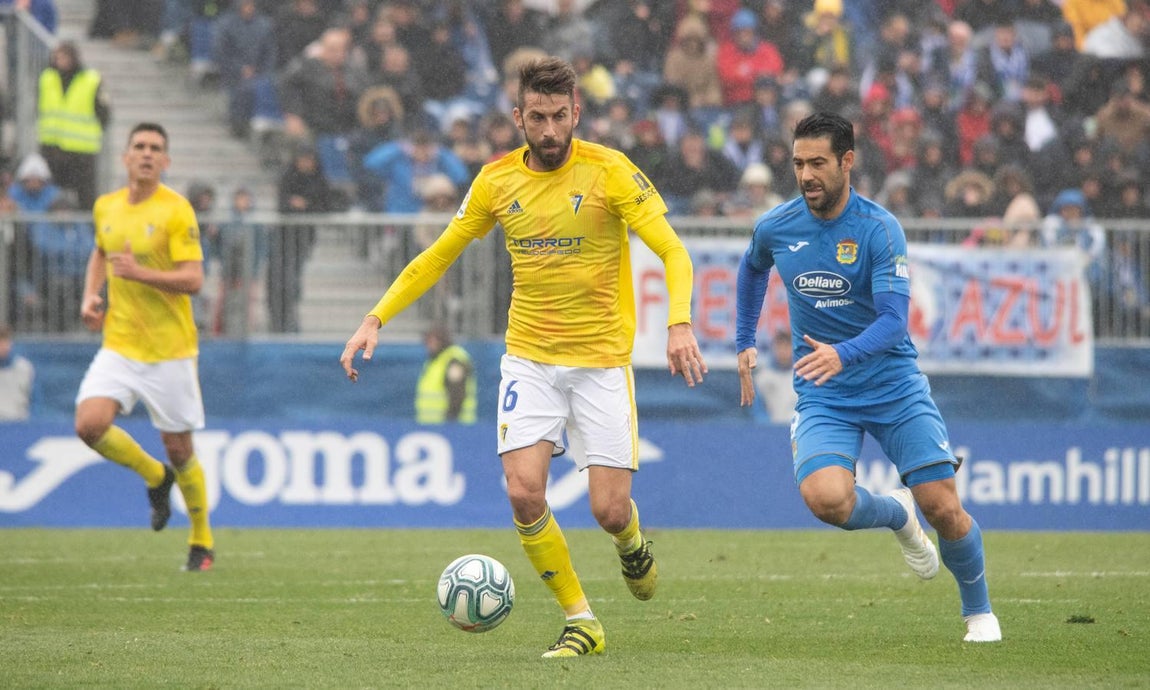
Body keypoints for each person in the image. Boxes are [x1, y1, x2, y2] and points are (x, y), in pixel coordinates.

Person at [341, 56, 707, 658]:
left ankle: (632, 542)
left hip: (599, 362)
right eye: (537, 117)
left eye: (560, 116)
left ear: (576, 113)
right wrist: (375, 317)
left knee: (609, 511)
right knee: (523, 493)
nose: (550, 130)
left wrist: (679, 321)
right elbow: (438, 255)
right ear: (518, 117)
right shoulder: (495, 181)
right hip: (529, 359)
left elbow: (672, 250)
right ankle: (581, 620)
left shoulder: (610, 172)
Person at [734, 112, 1001, 643]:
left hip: (892, 385)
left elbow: (894, 321)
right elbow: (752, 268)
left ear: (847, 161)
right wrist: (744, 341)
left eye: (817, 163)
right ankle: (896, 517)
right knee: (826, 498)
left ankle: (980, 613)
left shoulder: (879, 229)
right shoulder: (777, 226)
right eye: (797, 164)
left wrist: (843, 353)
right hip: (826, 394)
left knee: (943, 507)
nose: (806, 175)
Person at [74, 122, 215, 572]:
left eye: (156, 148)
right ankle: (155, 478)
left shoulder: (177, 211)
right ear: (126, 157)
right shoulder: (106, 207)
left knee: (180, 448)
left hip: (170, 349)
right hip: (119, 342)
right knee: (89, 425)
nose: (147, 153)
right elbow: (101, 252)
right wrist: (91, 296)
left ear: (166, 161)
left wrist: (139, 274)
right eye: (140, 146)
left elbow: (193, 279)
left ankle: (201, 542)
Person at [37, 41, 109, 211]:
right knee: (51, 195)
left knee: (86, 196)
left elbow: (103, 111)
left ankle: (86, 232)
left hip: (82, 149)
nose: (60, 61)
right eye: (57, 57)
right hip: (52, 146)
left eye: (64, 57)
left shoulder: (91, 79)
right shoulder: (47, 78)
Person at [415, 323, 476, 424]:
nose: (428, 345)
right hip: (433, 426)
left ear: (441, 340)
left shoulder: (454, 360)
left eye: (432, 341)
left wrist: (450, 421)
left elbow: (457, 394)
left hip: (454, 427)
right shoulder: (434, 360)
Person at [0, 323, 35, 421]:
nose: (2, 346)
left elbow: (35, 400)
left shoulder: (25, 368)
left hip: (18, 425)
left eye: (5, 341)